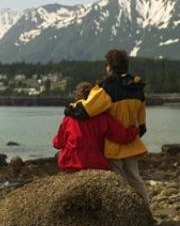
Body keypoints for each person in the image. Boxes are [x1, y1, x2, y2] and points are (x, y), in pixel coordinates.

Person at [64, 49, 148, 201]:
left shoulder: (107, 87)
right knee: (136, 179)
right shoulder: (137, 86)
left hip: (113, 144)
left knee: (119, 182)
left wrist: (70, 109)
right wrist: (136, 131)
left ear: (110, 67)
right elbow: (142, 122)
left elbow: (87, 109)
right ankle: (146, 210)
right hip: (132, 140)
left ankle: (127, 213)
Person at [53, 82, 139, 172]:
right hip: (96, 162)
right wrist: (135, 129)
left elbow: (58, 143)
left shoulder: (69, 117)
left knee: (59, 154)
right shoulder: (104, 117)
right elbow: (122, 136)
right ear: (95, 97)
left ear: (76, 97)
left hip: (71, 162)